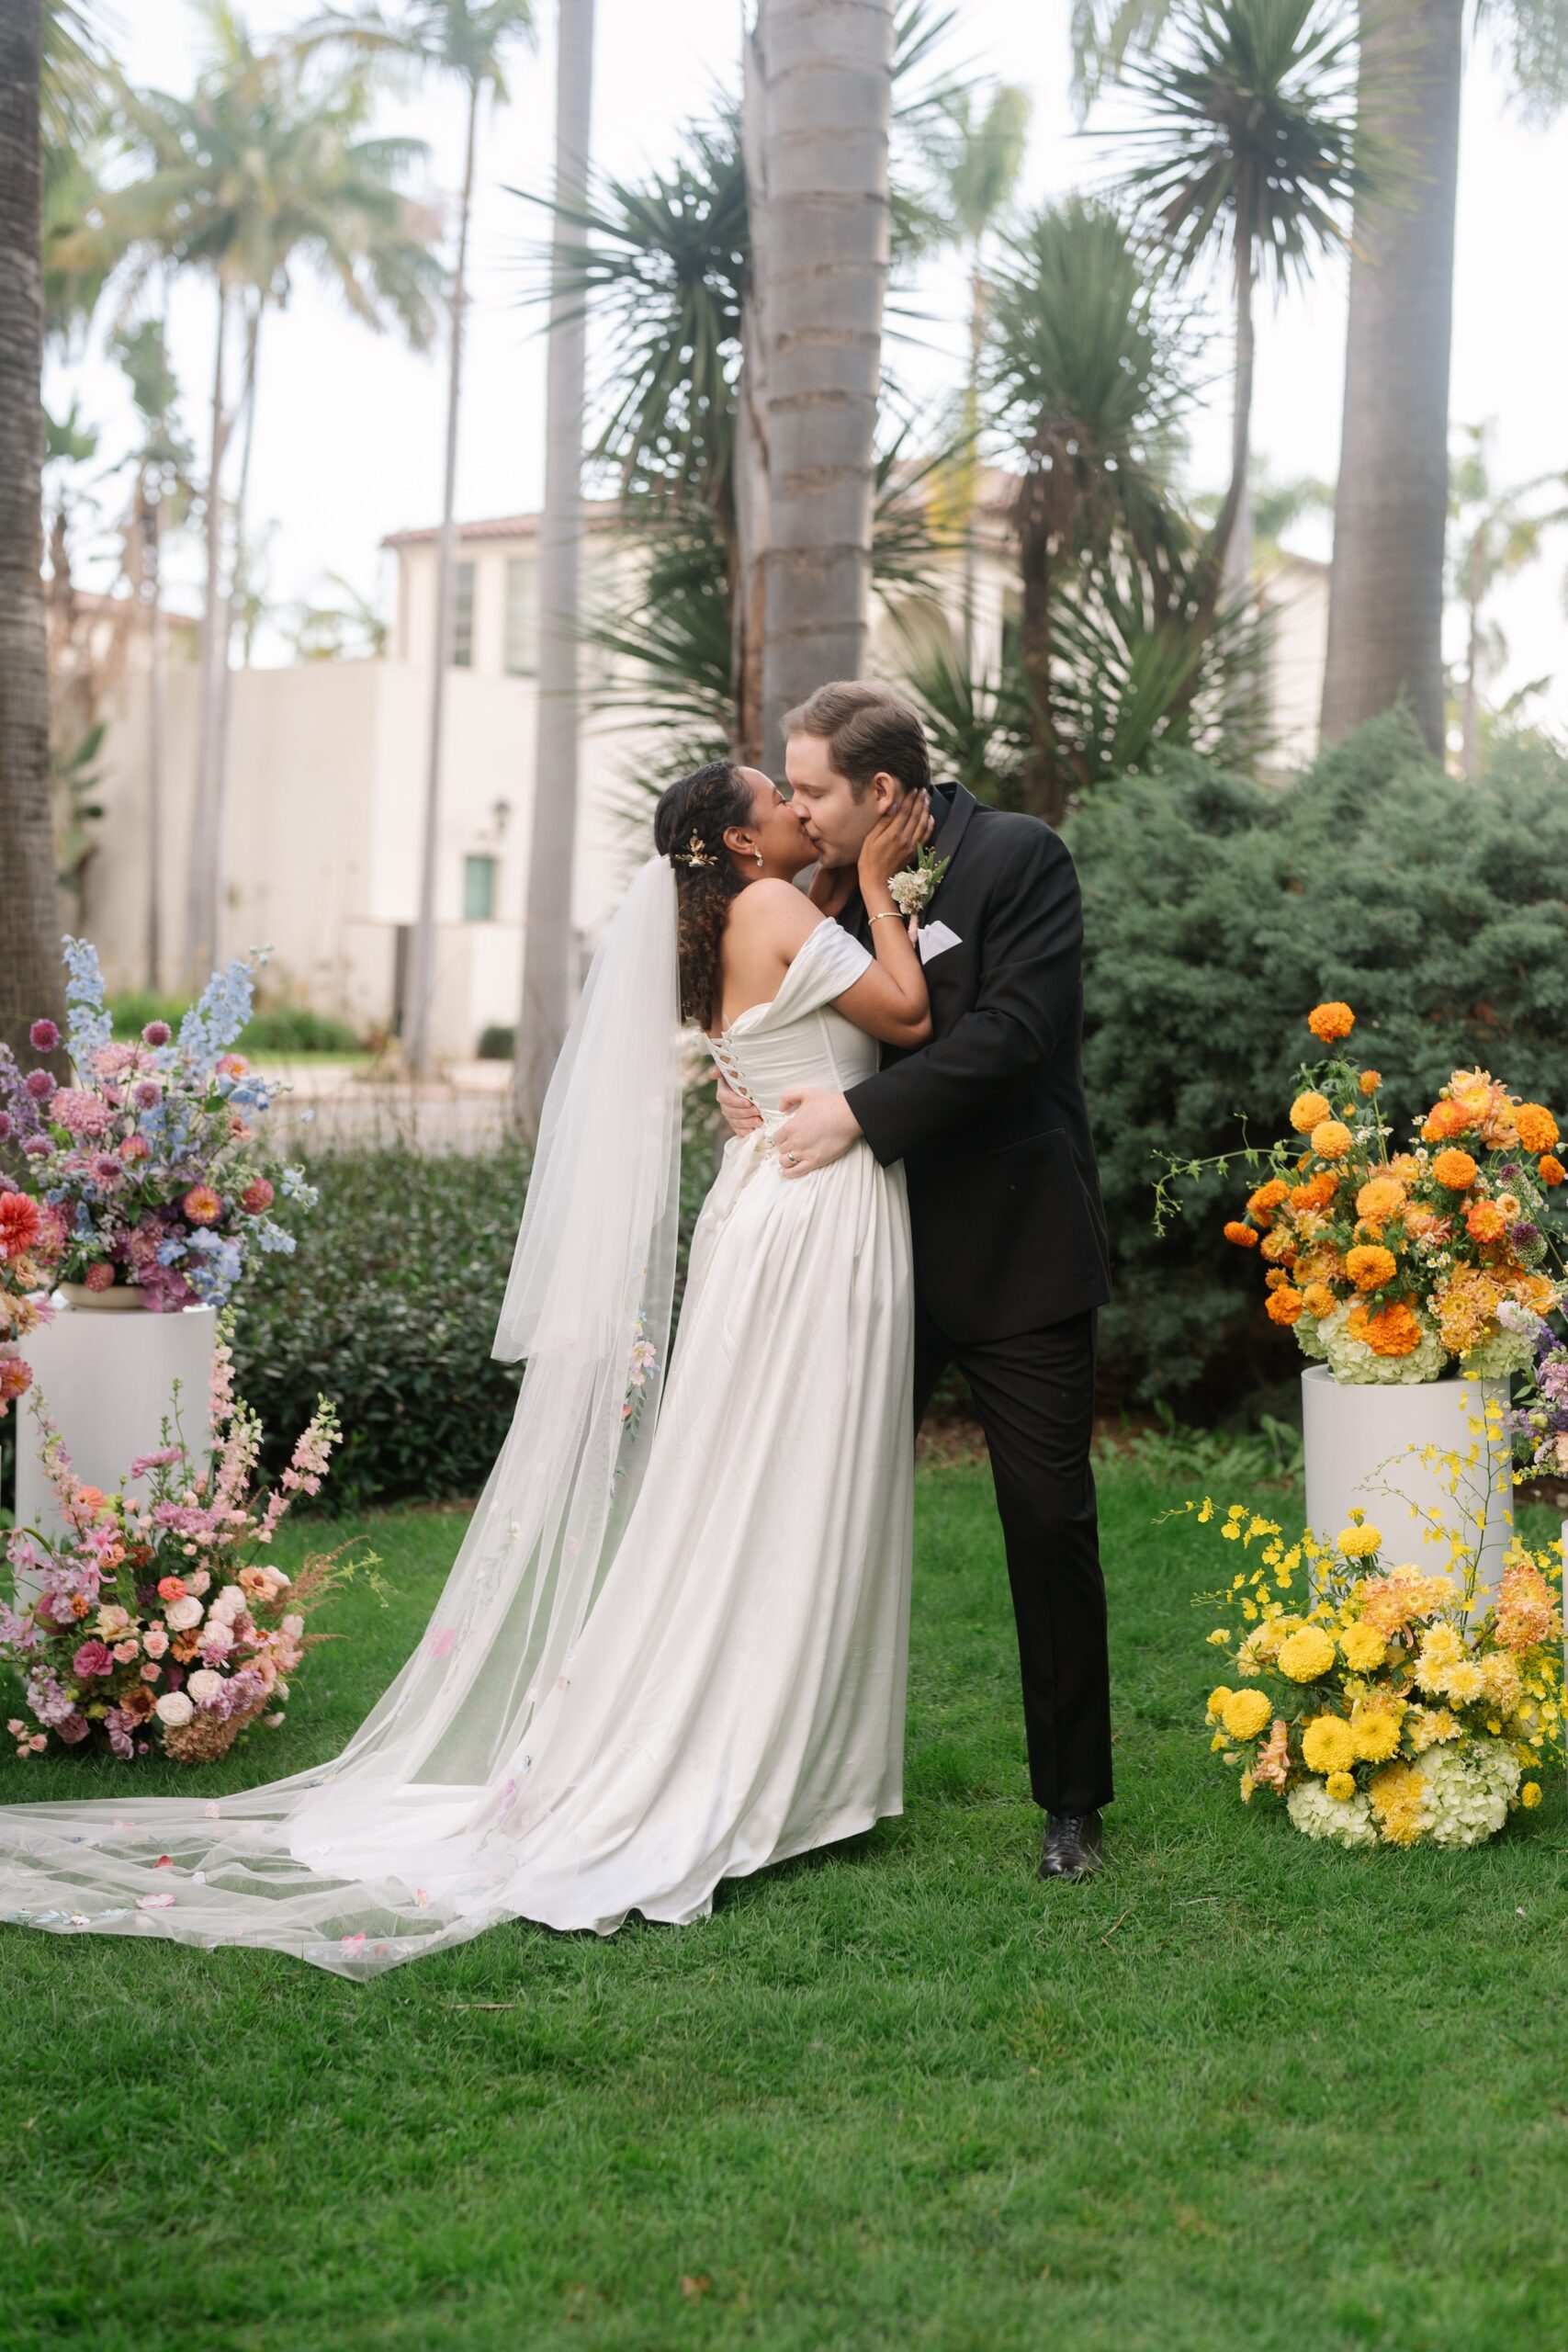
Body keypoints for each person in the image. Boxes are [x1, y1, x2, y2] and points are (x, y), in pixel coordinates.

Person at [0, 760, 938, 1977]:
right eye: (774, 796)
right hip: (814, 1220)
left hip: (770, 1206)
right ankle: (754, 1750)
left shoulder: (724, 927)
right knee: (783, 1478)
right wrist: (876, 880)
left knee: (749, 1483)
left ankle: (773, 1739)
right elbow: (909, 1020)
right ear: (737, 843)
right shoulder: (779, 908)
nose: (795, 807)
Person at [717, 683, 1114, 1882]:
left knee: (1047, 1518)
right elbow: (786, 1012)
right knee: (800, 1498)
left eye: (816, 790)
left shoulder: (1021, 859)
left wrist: (858, 1114)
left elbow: (1012, 1033)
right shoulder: (824, 884)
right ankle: (778, 1776)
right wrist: (744, 1080)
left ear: (885, 791)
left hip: (1015, 1249)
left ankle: (1072, 1805)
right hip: (855, 1258)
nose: (797, 809)